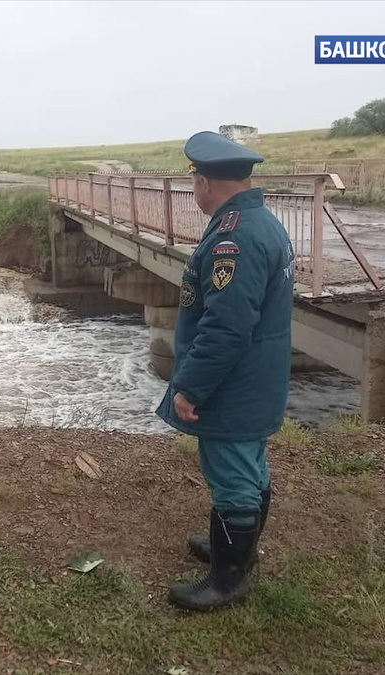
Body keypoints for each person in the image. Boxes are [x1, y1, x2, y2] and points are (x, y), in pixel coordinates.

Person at [155, 131, 294, 611]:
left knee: (231, 472)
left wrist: (190, 387)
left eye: (194, 177)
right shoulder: (259, 221)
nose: (194, 186)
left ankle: (228, 580)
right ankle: (236, 550)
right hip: (257, 377)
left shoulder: (235, 236)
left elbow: (226, 328)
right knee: (250, 466)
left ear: (206, 182)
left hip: (234, 385)